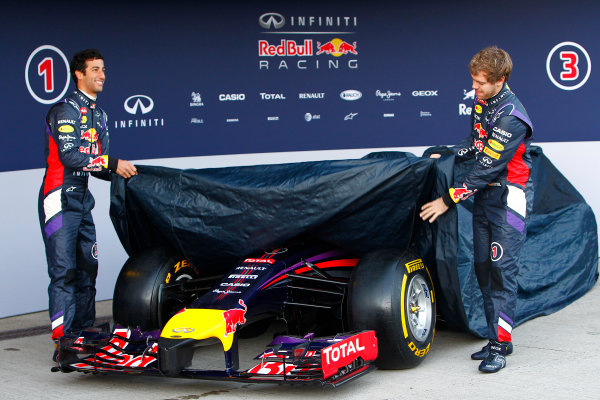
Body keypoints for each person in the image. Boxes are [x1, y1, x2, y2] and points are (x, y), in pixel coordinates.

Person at [419, 46, 533, 373]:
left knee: (501, 275)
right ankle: (498, 338)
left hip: (508, 199)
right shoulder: (483, 101)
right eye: (473, 81)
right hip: (485, 197)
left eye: (481, 83)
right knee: (483, 270)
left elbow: (486, 165)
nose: (475, 89)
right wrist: (448, 154)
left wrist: (447, 199)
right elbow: (476, 143)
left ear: (501, 80)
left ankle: (499, 347)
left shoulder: (512, 116)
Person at [38, 49, 137, 350]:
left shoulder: (101, 116)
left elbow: (101, 166)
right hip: (58, 198)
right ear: (79, 74)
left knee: (87, 269)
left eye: (103, 69)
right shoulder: (65, 110)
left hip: (82, 202)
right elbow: (70, 156)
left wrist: (129, 174)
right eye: (95, 69)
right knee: (65, 271)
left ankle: (82, 330)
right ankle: (63, 340)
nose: (101, 75)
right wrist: (111, 163)